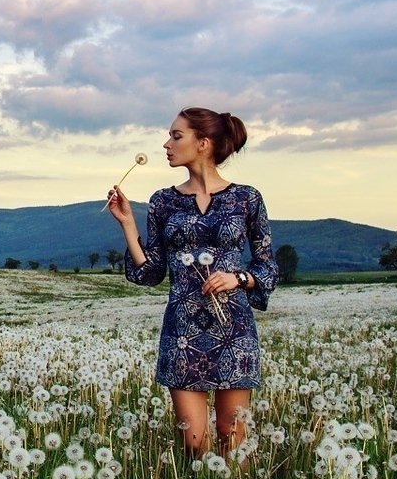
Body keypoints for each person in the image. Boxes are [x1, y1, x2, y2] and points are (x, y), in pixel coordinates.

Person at [105, 108, 277, 459]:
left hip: (234, 330)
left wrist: (238, 278)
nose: (166, 144)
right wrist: (127, 225)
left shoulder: (247, 198)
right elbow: (150, 272)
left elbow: (267, 266)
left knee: (234, 441)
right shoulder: (162, 201)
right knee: (194, 445)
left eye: (176, 136)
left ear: (203, 143)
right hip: (182, 333)